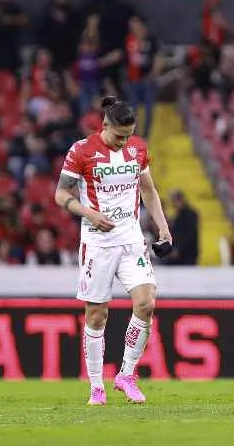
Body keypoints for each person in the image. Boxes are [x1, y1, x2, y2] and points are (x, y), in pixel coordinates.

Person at [54, 96, 172, 406]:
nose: (123, 142)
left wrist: (162, 226)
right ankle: (96, 386)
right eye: (119, 136)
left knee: (146, 304)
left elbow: (148, 189)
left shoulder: (137, 149)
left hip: (131, 238)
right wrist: (89, 214)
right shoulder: (81, 151)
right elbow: (60, 194)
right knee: (97, 314)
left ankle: (126, 375)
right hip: (97, 243)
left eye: (128, 135)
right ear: (104, 125)